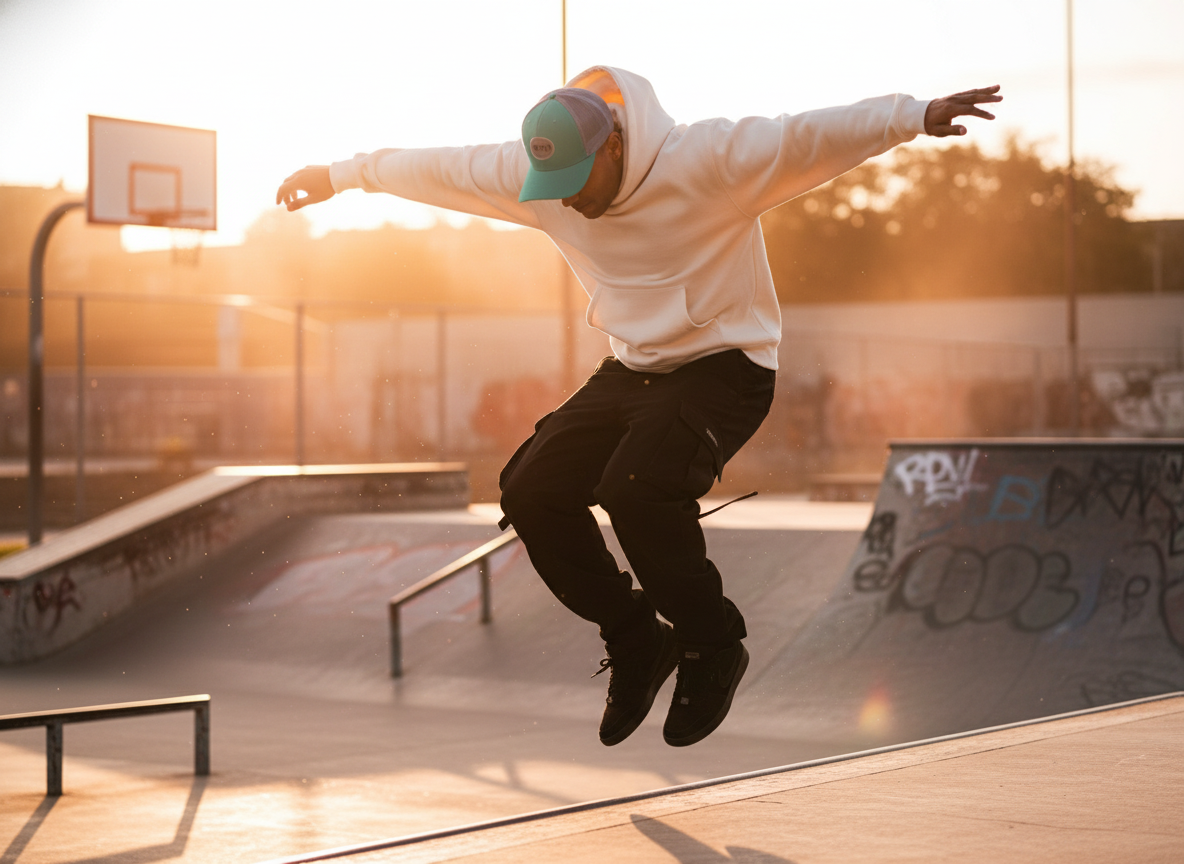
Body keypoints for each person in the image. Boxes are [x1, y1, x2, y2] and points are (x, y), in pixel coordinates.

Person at [277, 67, 1000, 747]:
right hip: (632, 370)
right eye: (551, 183)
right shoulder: (534, 182)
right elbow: (434, 168)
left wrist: (915, 116)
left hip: (727, 364)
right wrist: (340, 176)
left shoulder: (708, 161)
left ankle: (712, 644)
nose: (567, 198)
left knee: (635, 489)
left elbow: (806, 134)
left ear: (614, 143)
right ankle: (635, 637)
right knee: (531, 492)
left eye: (577, 178)